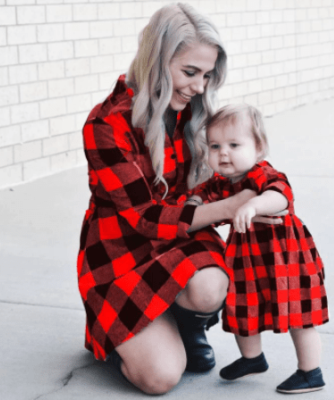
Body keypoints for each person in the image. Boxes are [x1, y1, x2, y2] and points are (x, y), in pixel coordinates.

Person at [77, 4, 283, 395]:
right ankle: (115, 332)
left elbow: (246, 165)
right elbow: (144, 219)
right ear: (156, 59)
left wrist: (270, 193)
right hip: (119, 251)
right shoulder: (106, 124)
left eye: (207, 75)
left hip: (182, 235)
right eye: (190, 72)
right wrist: (230, 207)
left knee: (209, 287)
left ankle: (187, 325)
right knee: (159, 379)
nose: (201, 87)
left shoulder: (194, 110)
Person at [188, 103, 329, 394]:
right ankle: (253, 359)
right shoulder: (221, 182)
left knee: (298, 315)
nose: (223, 152)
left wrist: (252, 204)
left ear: (259, 148)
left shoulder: (262, 174)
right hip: (247, 258)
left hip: (285, 257)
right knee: (242, 308)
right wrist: (193, 204)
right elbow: (200, 196)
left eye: (234, 144)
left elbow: (281, 195)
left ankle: (310, 372)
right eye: (215, 145)